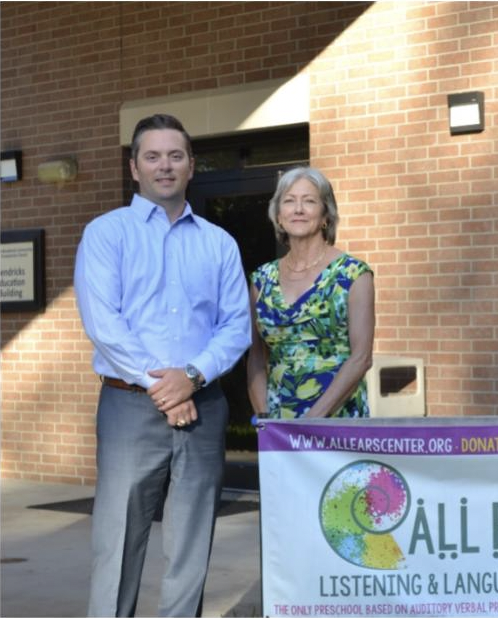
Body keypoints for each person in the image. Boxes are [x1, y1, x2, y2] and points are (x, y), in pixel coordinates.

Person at [74, 113, 252, 616]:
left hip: (205, 403)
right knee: (118, 543)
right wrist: (164, 388)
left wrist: (190, 379)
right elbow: (104, 324)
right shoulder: (106, 234)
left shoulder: (218, 243)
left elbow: (236, 326)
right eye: (152, 156)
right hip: (129, 408)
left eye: (175, 156)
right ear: (134, 168)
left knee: (192, 545)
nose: (165, 166)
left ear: (192, 165)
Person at [247, 166, 374, 419]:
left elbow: (362, 358)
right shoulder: (261, 279)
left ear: (326, 214)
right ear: (279, 216)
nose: (298, 210)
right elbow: (256, 356)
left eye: (309, 201)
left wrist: (312, 420)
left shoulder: (353, 274)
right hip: (278, 426)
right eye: (289, 201)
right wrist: (264, 419)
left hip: (337, 420)